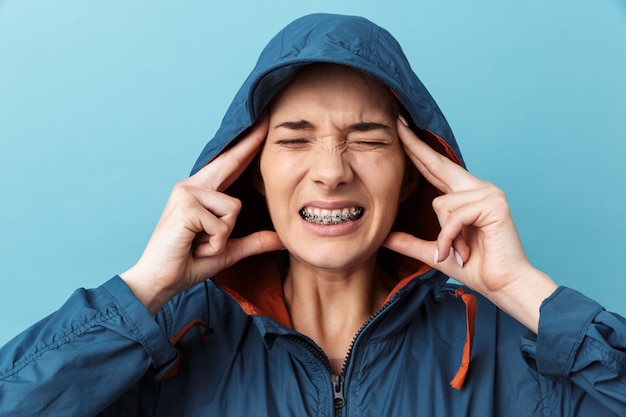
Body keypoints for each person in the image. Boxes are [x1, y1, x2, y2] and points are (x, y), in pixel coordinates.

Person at [1, 13, 625, 416]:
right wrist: (144, 291)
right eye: (295, 139)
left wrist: (525, 293)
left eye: (369, 139)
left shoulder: (506, 347)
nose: (331, 170)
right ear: (251, 171)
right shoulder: (165, 349)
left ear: (415, 168)